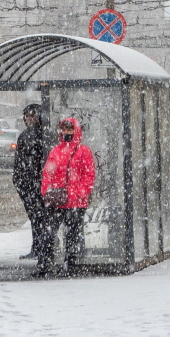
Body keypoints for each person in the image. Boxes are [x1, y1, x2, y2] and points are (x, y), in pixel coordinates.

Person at [37, 117, 96, 276]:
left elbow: (89, 175)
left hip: (75, 202)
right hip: (57, 200)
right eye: (65, 129)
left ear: (75, 131)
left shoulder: (84, 151)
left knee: (72, 236)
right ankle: (45, 265)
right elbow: (47, 174)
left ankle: (70, 266)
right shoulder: (55, 151)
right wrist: (46, 192)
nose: (67, 132)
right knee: (47, 234)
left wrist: (79, 193)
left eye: (70, 130)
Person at [12, 104, 48, 260]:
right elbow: (18, 160)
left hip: (38, 184)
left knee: (40, 217)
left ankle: (42, 248)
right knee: (34, 217)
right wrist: (18, 180)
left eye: (32, 116)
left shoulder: (43, 135)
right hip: (26, 184)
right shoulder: (23, 136)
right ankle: (37, 247)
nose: (29, 119)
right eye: (27, 116)